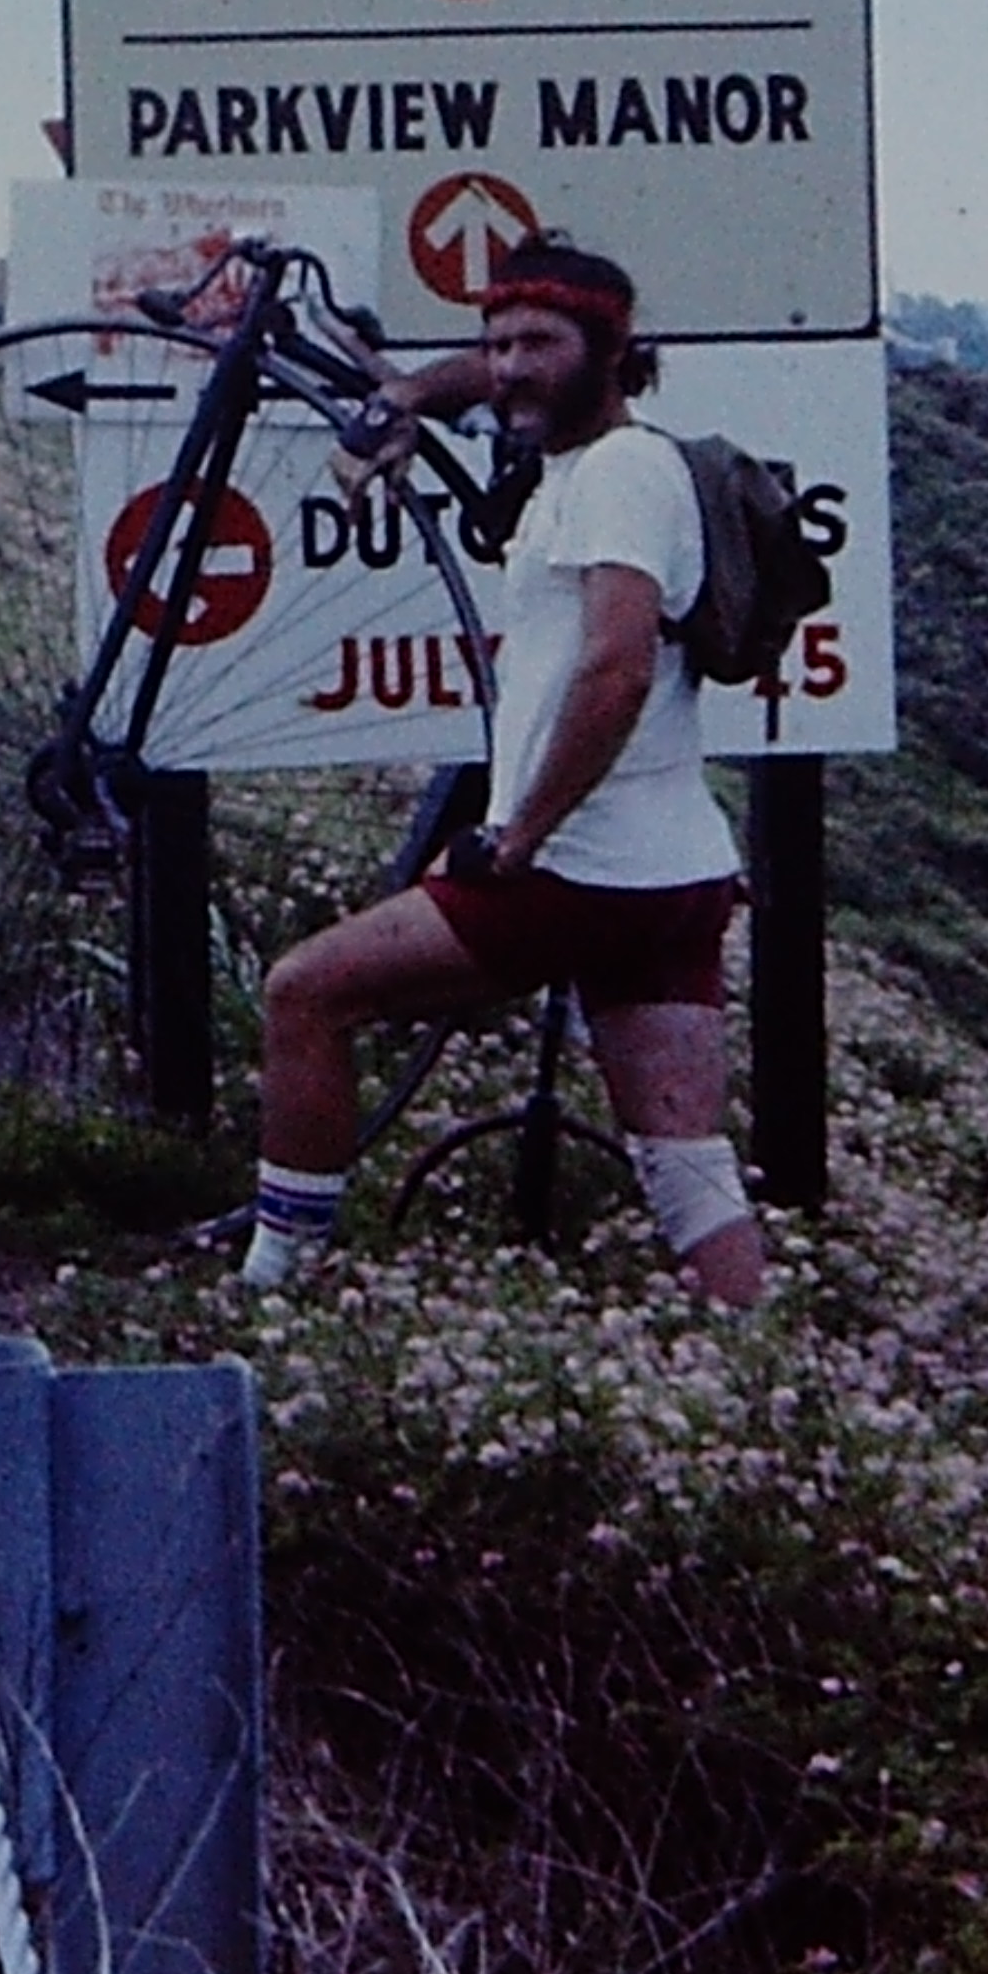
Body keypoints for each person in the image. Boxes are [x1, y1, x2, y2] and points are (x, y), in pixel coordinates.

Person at [243, 234, 769, 1307]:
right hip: (675, 875)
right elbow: (476, 380)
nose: (512, 366)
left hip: (575, 867)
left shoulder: (619, 475)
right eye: (499, 344)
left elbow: (616, 670)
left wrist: (521, 834)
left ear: (613, 351)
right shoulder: (593, 462)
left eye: (540, 342)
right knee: (684, 1160)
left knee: (304, 997)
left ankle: (274, 1288)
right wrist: (400, 397)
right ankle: (763, 1363)